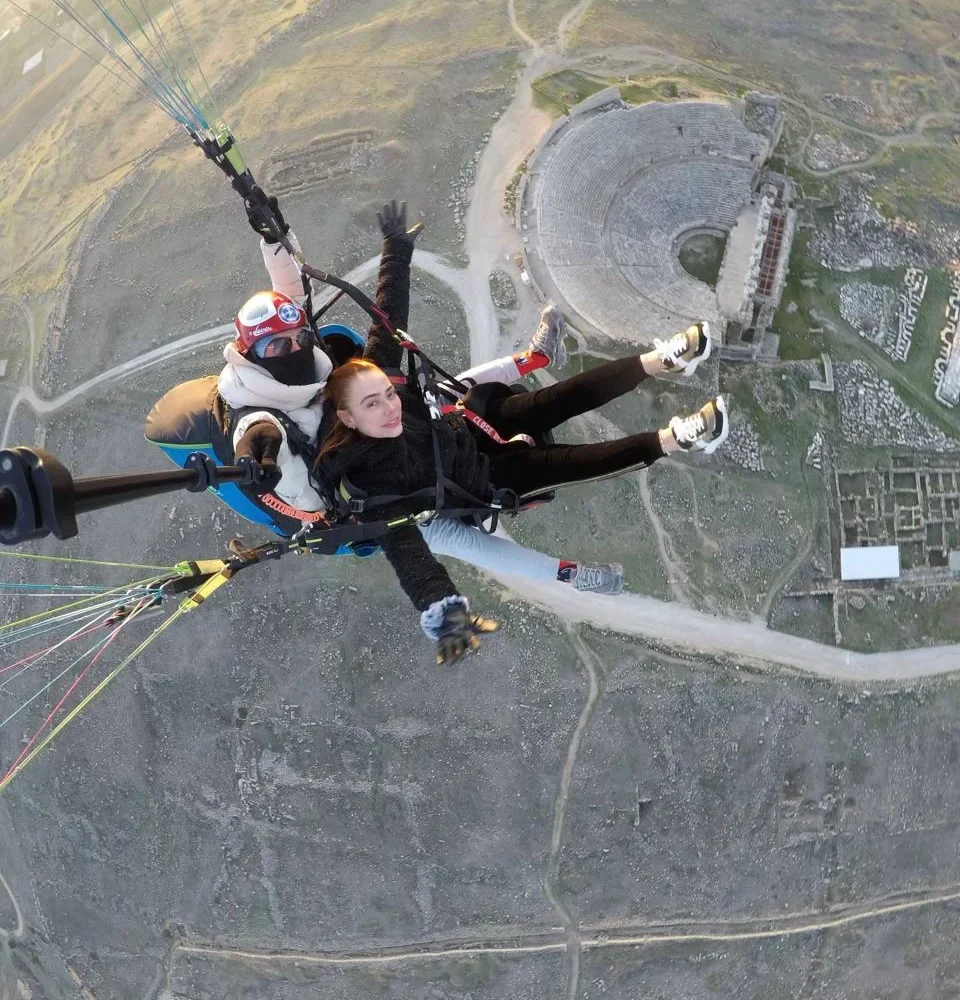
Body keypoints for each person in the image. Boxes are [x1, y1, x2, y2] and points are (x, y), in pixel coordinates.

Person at [308, 206, 729, 664]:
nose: (390, 407)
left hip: (469, 426)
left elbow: (386, 317)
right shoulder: (379, 492)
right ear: (347, 419)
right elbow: (413, 559)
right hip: (485, 478)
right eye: (374, 405)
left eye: (388, 394)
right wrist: (446, 614)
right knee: (573, 461)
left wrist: (396, 248)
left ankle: (660, 360)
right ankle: (677, 438)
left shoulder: (375, 381)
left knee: (556, 400)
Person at [220, 196, 626, 593]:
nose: (293, 349)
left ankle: (536, 357)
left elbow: (295, 298)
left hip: (377, 426)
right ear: (251, 353)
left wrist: (275, 239)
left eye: (297, 339)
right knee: (463, 540)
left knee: (450, 393)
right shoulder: (265, 413)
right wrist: (259, 455)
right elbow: (266, 439)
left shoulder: (286, 362)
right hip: (376, 492)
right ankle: (573, 576)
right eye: (278, 347)